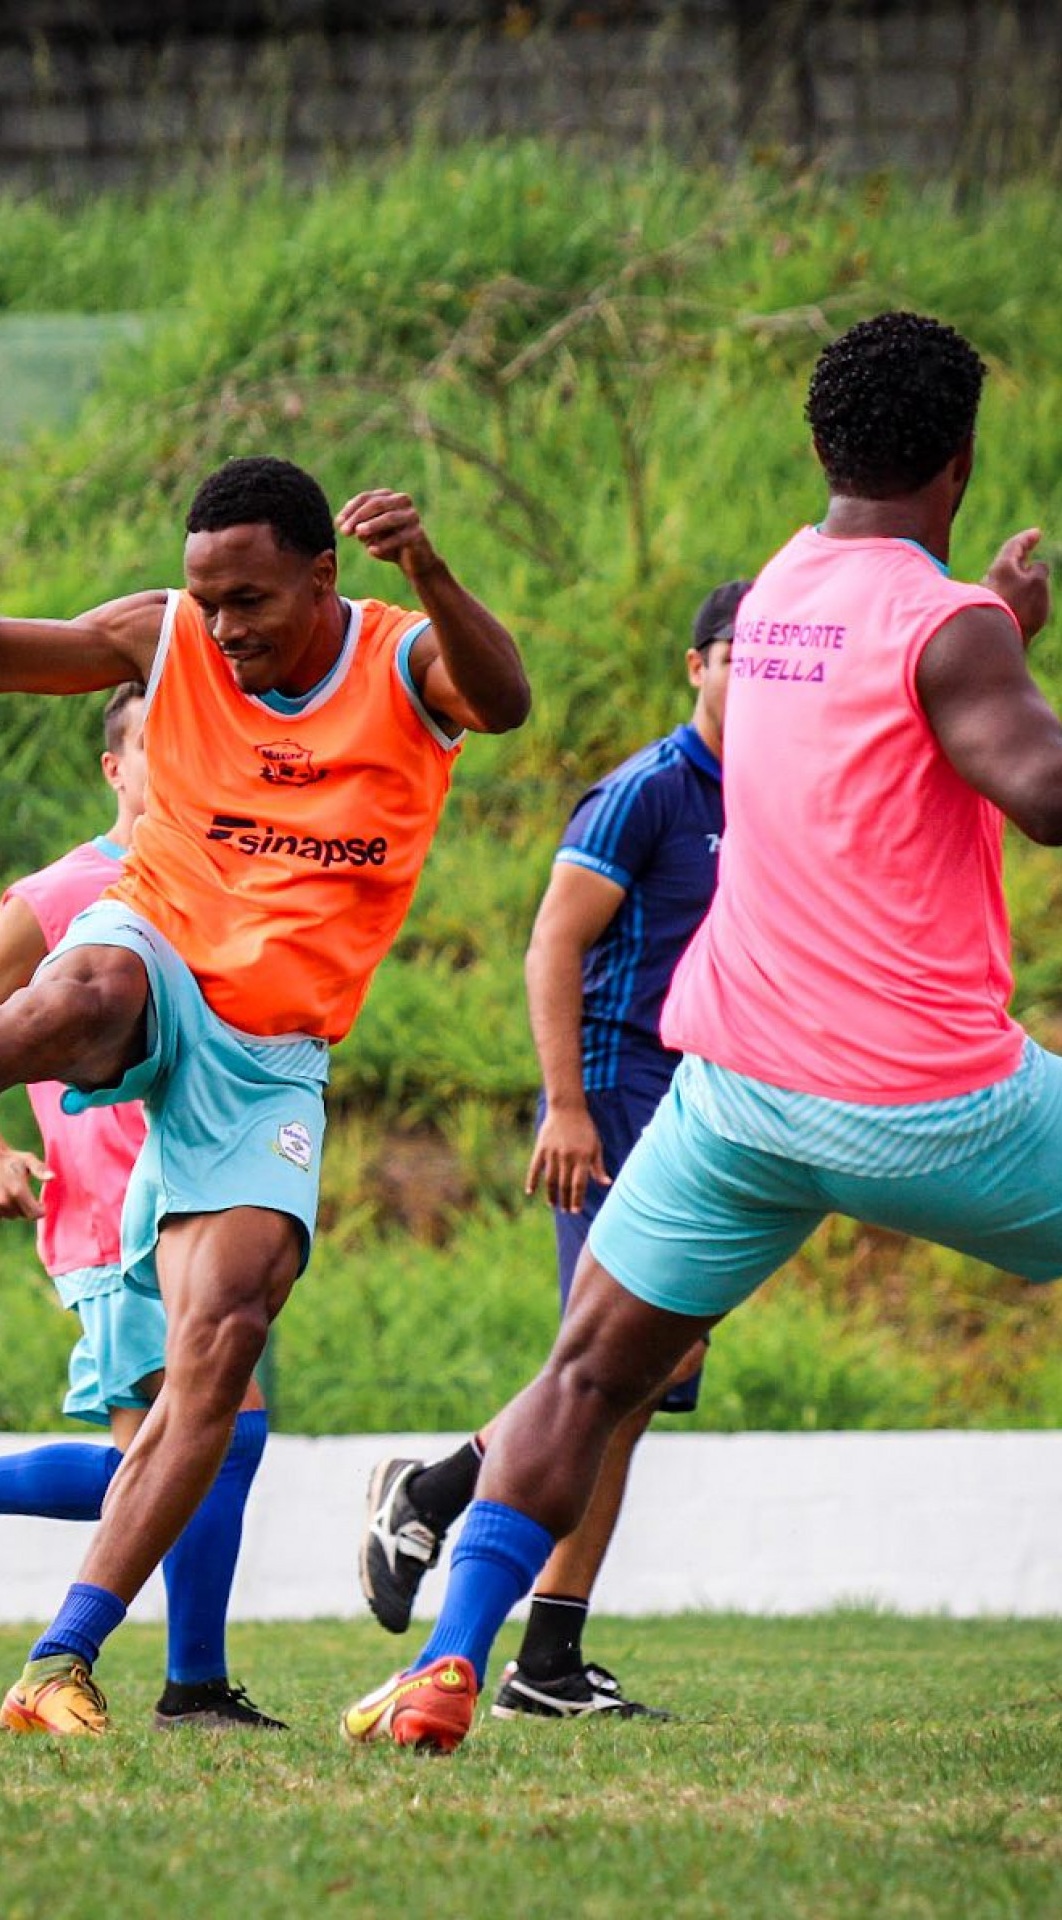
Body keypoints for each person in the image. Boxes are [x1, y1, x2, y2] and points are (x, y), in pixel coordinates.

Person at [342, 309, 1062, 1755]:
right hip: (935, 1103)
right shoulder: (947, 624)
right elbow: (1046, 791)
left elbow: (903, 696)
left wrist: (989, 632)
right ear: (963, 456)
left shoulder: (779, 598)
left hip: (737, 1092)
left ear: (821, 447)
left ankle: (446, 1664)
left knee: (584, 1374)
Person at [0, 454, 530, 1738]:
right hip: (156, 943)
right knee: (73, 997)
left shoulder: (404, 661)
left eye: (249, 600)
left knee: (222, 1354)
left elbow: (506, 696)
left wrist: (427, 567)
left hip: (273, 1047)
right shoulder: (168, 638)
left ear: (323, 577)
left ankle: (59, 1666)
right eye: (207, 599)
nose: (223, 628)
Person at [0, 682, 281, 1731]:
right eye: (153, 750)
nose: (174, 768)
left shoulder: (224, 877)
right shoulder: (60, 893)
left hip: (207, 1201)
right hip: (110, 1212)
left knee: (202, 1441)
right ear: (116, 769)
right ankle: (188, 1686)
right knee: (204, 1440)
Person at [358, 580, 746, 1720]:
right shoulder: (648, 792)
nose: (757, 673)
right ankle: (465, 1568)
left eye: (778, 653)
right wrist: (566, 1105)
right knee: (612, 1368)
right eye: (738, 651)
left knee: (639, 1383)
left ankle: (531, 1633)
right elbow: (552, 943)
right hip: (621, 1094)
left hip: (709, 1105)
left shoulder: (780, 792)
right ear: (695, 665)